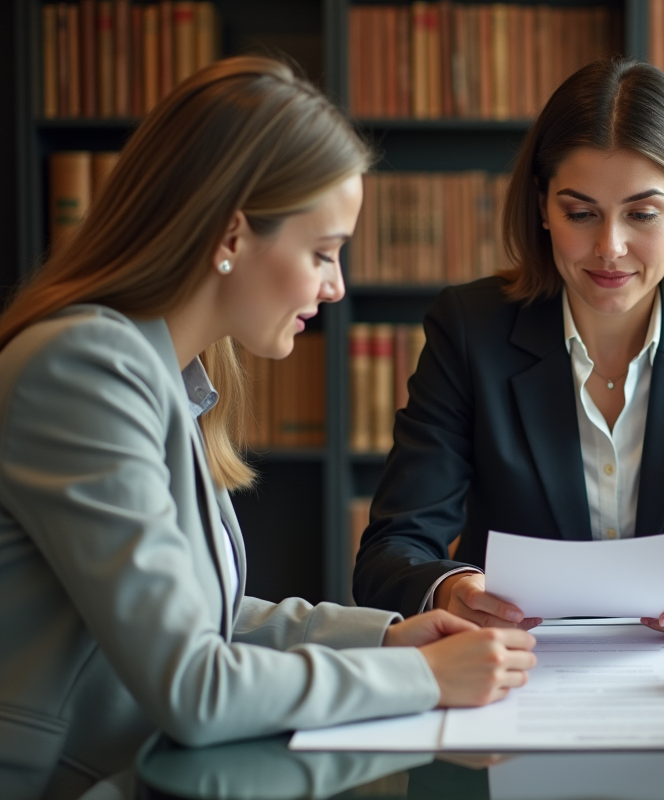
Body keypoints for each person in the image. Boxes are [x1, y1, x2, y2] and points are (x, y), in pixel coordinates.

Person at [0, 57, 536, 800]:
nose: (336, 285)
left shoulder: (162, 374)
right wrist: (421, 676)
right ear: (232, 235)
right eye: (322, 252)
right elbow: (194, 684)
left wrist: (385, 639)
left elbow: (206, 620)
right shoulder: (84, 370)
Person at [354, 58, 664, 640]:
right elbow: (391, 549)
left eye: (642, 214)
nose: (610, 247)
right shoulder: (470, 329)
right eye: (580, 213)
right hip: (511, 662)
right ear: (542, 206)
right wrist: (452, 589)